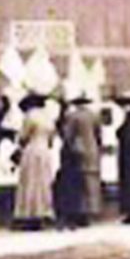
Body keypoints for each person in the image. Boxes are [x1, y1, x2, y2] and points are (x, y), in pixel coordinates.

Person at [55, 95, 104, 228]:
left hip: (77, 151)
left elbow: (68, 135)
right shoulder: (94, 116)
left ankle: (79, 213)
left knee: (78, 184)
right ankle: (90, 212)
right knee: (90, 181)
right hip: (92, 150)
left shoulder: (73, 117)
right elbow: (99, 135)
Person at [12, 95, 58, 230]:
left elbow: (23, 136)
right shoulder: (48, 118)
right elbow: (52, 137)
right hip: (45, 151)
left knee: (30, 182)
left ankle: (29, 214)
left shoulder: (30, 116)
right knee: (43, 183)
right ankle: (44, 211)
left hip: (32, 150)